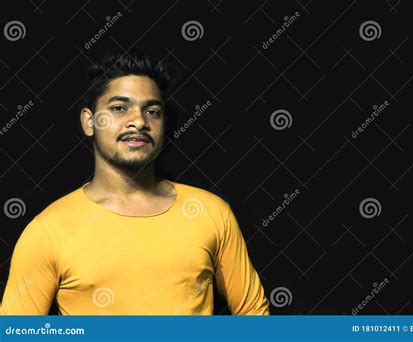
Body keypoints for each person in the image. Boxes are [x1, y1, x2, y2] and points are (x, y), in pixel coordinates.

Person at [1, 48, 270, 315]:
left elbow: (254, 317)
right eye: (119, 108)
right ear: (89, 122)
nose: (139, 121)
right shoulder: (48, 231)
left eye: (152, 111)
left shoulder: (211, 213)